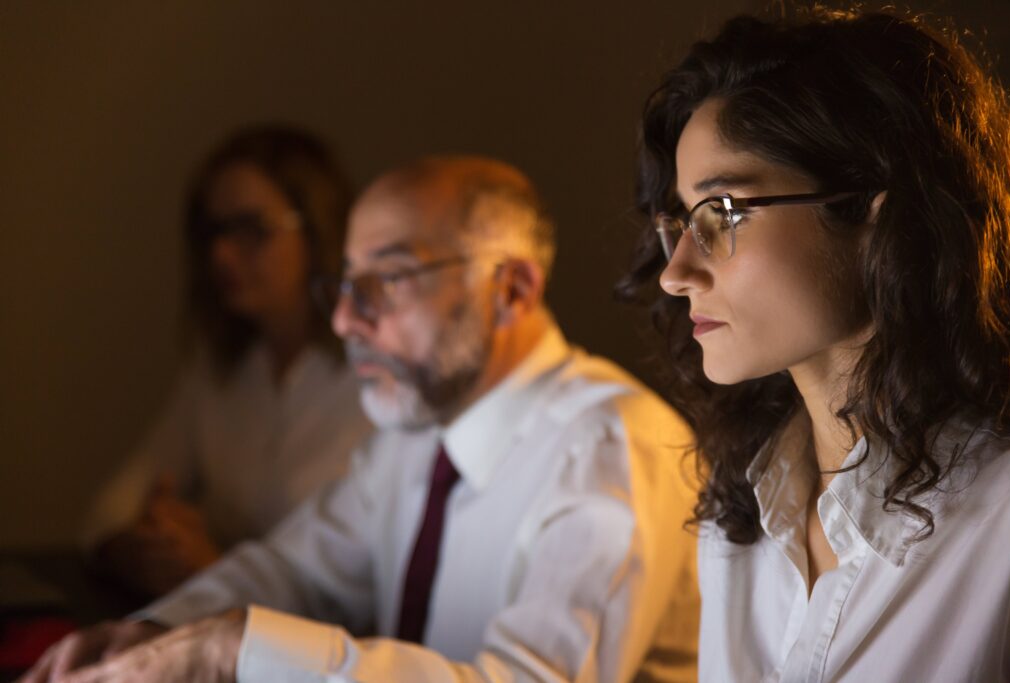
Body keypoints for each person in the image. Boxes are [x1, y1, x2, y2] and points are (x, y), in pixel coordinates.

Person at [23, 156, 701, 682]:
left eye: (389, 278)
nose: (346, 318)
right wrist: (150, 635)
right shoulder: (416, 435)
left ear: (511, 289)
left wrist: (233, 650)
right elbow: (292, 570)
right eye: (346, 283)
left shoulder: (610, 447)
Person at [620, 7, 1010, 682]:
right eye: (680, 223)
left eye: (721, 212)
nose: (675, 272)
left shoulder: (1009, 519)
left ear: (873, 206)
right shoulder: (736, 520)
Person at [82, 125, 373, 598]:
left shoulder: (372, 383)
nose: (221, 254)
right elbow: (109, 509)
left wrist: (218, 569)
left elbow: (365, 590)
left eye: (251, 229)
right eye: (213, 231)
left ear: (318, 230)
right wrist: (142, 548)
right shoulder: (223, 372)